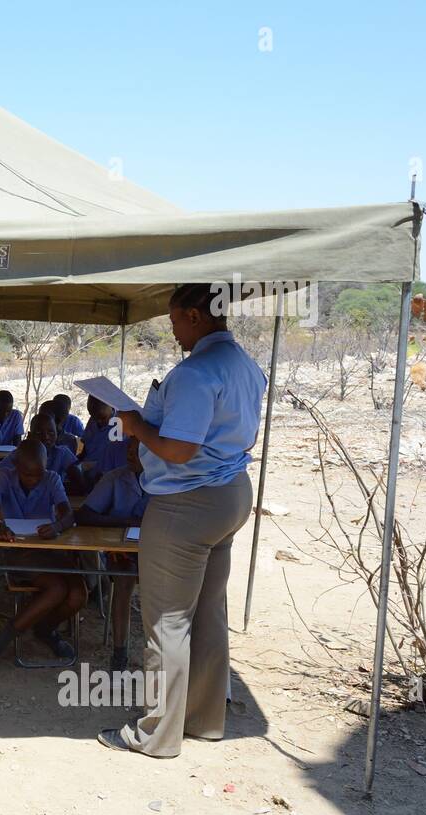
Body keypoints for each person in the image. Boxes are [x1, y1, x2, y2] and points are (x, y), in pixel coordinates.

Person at [98, 283, 266, 758]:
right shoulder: (245, 366)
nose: (172, 332)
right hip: (230, 494)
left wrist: (136, 426)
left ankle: (157, 734)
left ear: (195, 315)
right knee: (209, 613)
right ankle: (204, 719)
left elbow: (178, 449)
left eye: (173, 320)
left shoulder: (196, 373)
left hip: (186, 504)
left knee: (168, 621)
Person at [0, 441, 84, 679]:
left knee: (78, 594)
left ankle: (45, 628)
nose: (33, 479)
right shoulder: (4, 475)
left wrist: (57, 526)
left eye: (38, 474)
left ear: (46, 466)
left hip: (49, 549)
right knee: (56, 589)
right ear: (16, 465)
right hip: (18, 550)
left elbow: (67, 513)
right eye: (27, 474)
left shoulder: (52, 478)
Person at [76, 436, 148, 672]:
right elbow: (85, 515)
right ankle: (120, 652)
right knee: (124, 579)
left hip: (158, 550)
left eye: (138, 450)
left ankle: (166, 651)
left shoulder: (170, 481)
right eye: (129, 448)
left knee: (166, 583)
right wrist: (126, 521)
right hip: (122, 550)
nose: (130, 453)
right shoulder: (115, 478)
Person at [78, 395, 128, 483]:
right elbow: (85, 448)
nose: (98, 421)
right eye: (92, 415)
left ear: (112, 406)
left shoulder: (122, 424)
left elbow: (119, 461)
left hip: (107, 473)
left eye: (102, 418)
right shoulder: (94, 419)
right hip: (86, 471)